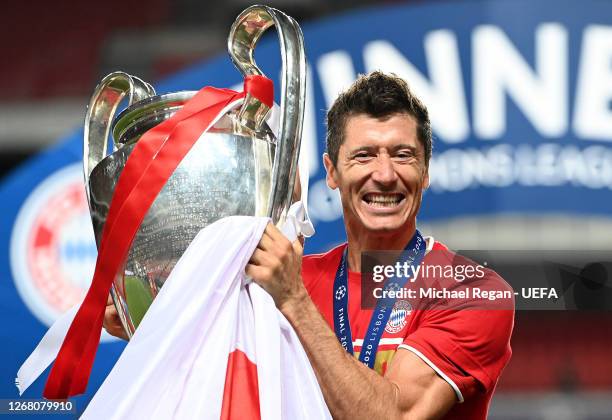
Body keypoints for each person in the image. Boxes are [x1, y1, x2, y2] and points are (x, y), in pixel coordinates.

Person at [104, 71, 513, 419]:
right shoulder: (288, 278)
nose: (385, 175)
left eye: (403, 155)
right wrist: (155, 323)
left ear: (425, 173)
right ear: (332, 171)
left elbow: (397, 415)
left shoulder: (470, 291)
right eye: (364, 156)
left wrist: (294, 302)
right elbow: (218, 375)